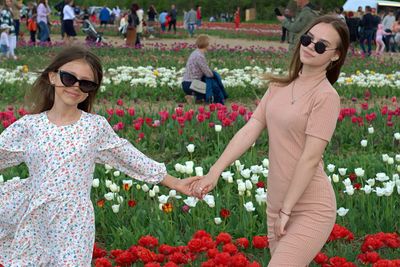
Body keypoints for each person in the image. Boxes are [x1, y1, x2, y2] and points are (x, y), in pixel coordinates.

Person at [0, 45, 200, 266]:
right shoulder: (29, 126)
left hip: (74, 222)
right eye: (69, 78)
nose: (76, 86)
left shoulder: (94, 127)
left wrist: (176, 182)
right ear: (53, 77)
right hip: (36, 216)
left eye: (86, 83)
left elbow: (129, 157)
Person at [192, 15, 349, 266]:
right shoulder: (279, 87)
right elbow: (250, 130)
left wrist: (287, 210)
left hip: (309, 206)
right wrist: (214, 172)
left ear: (335, 56)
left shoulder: (326, 97)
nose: (310, 46)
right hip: (275, 203)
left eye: (321, 45)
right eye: (308, 39)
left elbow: (310, 158)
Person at [181, 34, 214, 104]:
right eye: (209, 44)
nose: (210, 45)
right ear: (206, 44)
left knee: (207, 87)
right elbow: (208, 73)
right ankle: (194, 97)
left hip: (186, 83)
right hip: (192, 84)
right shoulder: (200, 56)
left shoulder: (195, 53)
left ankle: (195, 97)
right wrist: (214, 74)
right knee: (212, 88)